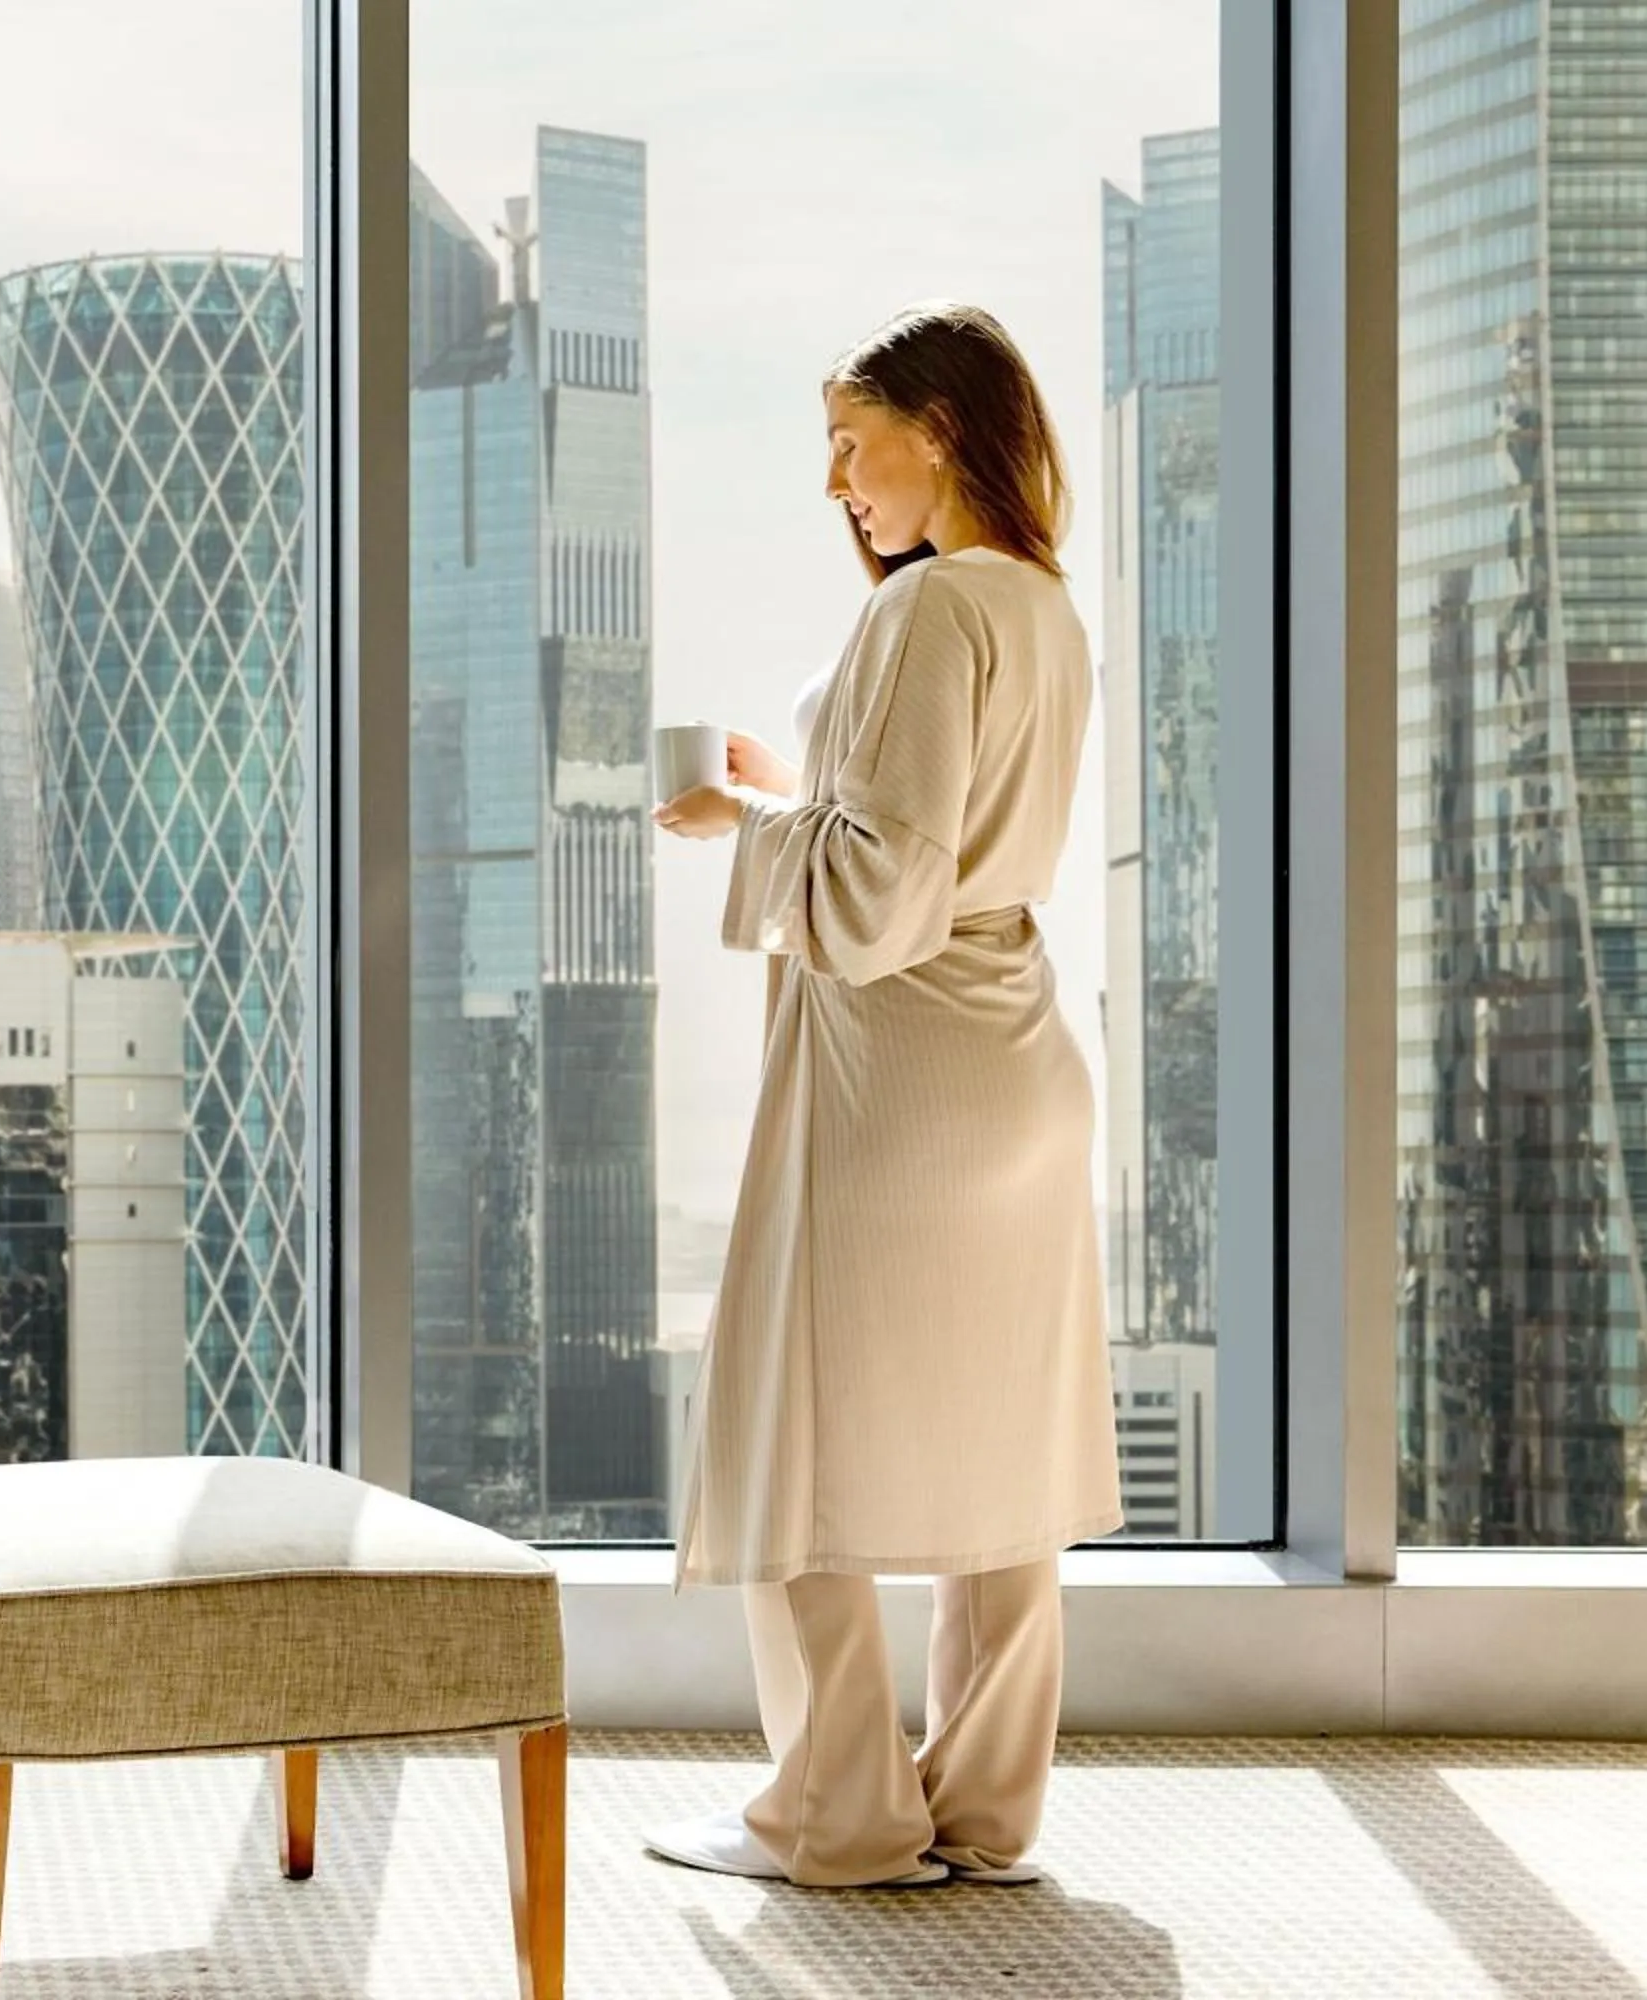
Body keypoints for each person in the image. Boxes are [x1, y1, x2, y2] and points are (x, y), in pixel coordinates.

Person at [646, 301, 1122, 1890]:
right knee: (1003, 1450)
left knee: (791, 1426)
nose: (836, 482)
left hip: (899, 1075)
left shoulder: (923, 615)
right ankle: (986, 1809)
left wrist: (738, 824)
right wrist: (800, 803)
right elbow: (943, 850)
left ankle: (840, 1809)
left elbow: (876, 903)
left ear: (940, 429)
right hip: (1021, 1063)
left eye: (852, 444)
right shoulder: (1045, 612)